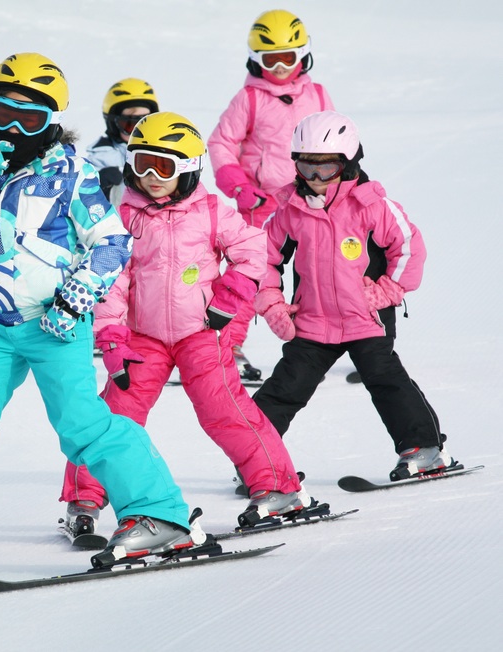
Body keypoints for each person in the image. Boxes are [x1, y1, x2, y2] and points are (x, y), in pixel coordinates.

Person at [0, 53, 209, 586]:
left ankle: (158, 514)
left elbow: (111, 242)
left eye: (31, 118)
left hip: (56, 324)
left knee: (83, 425)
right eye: (4, 113)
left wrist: (76, 297)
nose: (15, 128)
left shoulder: (74, 174)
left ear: (52, 122)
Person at [59, 111, 315, 539]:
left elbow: (254, 250)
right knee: (113, 415)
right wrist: (111, 337)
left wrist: (231, 296)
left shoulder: (212, 212)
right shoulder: (122, 217)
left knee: (226, 412)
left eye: (165, 167)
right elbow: (113, 281)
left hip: (201, 332)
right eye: (142, 164)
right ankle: (84, 499)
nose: (152, 177)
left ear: (190, 170)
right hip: (144, 338)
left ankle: (277, 487)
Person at [252, 110, 455, 482]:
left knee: (384, 379)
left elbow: (408, 249)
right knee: (284, 389)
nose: (314, 178)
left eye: (325, 168)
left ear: (347, 164)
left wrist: (387, 291)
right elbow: (261, 259)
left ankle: (422, 450)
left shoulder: (371, 204)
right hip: (313, 321)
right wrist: (273, 304)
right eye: (305, 166)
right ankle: (257, 464)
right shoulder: (290, 208)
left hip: (367, 316)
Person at [208, 9, 334, 384]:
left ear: (303, 55)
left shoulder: (318, 95)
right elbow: (220, 143)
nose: (279, 68)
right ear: (255, 59)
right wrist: (241, 189)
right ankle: (226, 346)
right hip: (261, 206)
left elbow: (335, 143)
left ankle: (341, 339)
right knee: (252, 276)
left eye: (287, 58)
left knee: (323, 272)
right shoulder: (249, 99)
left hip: (309, 201)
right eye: (270, 59)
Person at [85, 78, 159, 206]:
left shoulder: (161, 153)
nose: (138, 132)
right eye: (130, 124)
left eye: (145, 123)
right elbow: (79, 199)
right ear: (113, 123)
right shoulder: (100, 159)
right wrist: (98, 186)